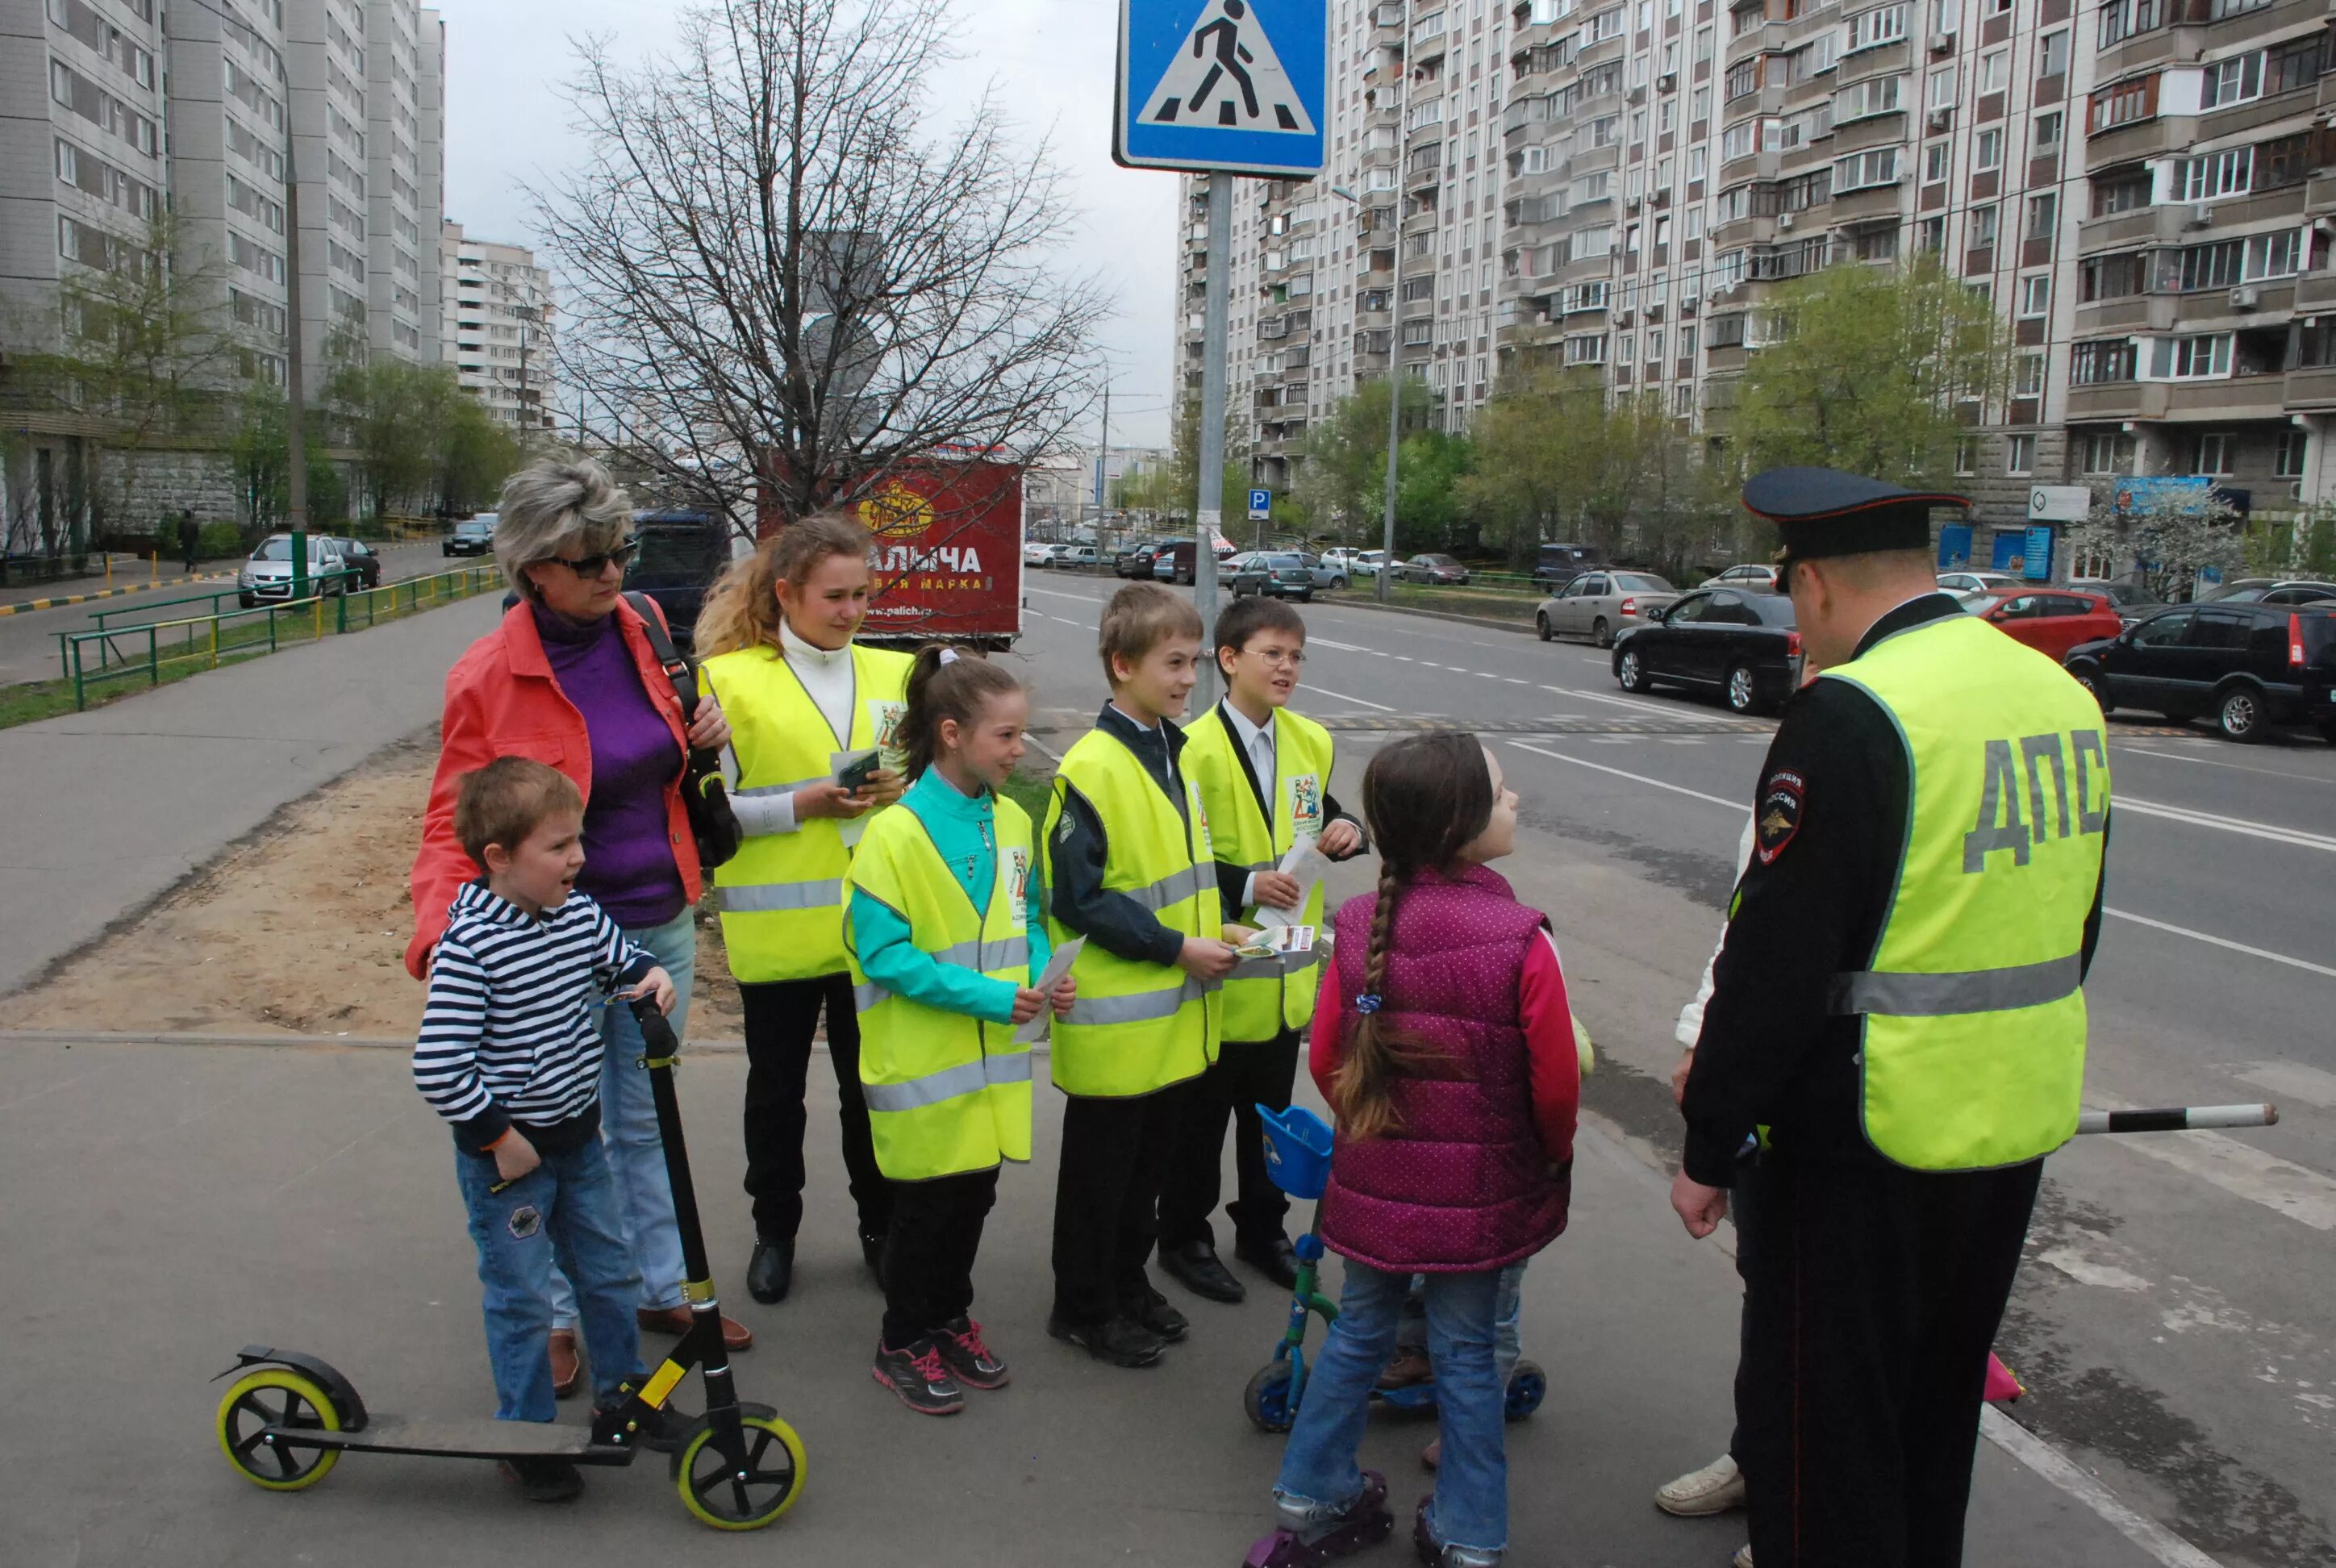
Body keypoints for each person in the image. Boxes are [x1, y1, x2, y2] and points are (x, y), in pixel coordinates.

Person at [1670, 468, 2111, 1568]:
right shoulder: (2055, 693)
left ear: (1812, 583)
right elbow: (2078, 919)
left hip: (1863, 1138)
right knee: (1933, 1418)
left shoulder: (1855, 711)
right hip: (2010, 1121)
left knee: (1826, 1446)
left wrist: (1711, 1142)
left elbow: (1777, 961)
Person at [408, 454, 749, 1402]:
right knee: (561, 1129)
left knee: (645, 1123)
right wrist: (445, 940)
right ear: (532, 572)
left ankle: (654, 1287)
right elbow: (452, 822)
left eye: (621, 552)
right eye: (590, 559)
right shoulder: (487, 675)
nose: (613, 575)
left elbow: (657, 749)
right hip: (546, 948)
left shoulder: (640, 628)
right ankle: (559, 1315)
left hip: (654, 918)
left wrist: (698, 732)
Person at [1245, 730, 1579, 1568]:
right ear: (1460, 821)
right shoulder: (1521, 937)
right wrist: (1548, 1156)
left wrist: (1372, 1129)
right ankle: (1467, 1535)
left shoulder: (1360, 925)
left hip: (1374, 1178)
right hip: (1480, 1192)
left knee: (1357, 1334)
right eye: (1500, 793)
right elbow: (1554, 1085)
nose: (1515, 803)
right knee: (1467, 1359)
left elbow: (1326, 1059)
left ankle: (1309, 1494)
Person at [411, 757, 687, 1502]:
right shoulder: (471, 949)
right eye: (560, 847)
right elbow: (438, 1067)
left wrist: (647, 977)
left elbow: (619, 962)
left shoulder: (575, 913)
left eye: (578, 842)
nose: (579, 859)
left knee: (607, 1271)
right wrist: (500, 1136)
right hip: (511, 1162)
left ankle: (629, 1398)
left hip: (576, 1138)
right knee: (524, 1296)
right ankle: (524, 1436)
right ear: (499, 859)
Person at [843, 645, 1074, 1414]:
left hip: (993, 1062)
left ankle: (948, 1320)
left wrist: (1045, 976)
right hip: (923, 1065)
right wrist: (990, 997)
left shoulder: (1012, 819)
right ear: (951, 733)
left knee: (973, 1201)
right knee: (923, 1214)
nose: (1020, 750)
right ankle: (901, 1339)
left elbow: (1029, 916)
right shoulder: (895, 834)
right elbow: (882, 956)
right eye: (1005, 736)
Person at [695, 513, 911, 1307]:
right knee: (775, 1095)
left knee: (871, 1091)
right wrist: (805, 804)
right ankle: (774, 1230)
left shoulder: (896, 676)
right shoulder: (730, 680)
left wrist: (908, 790)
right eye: (833, 596)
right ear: (785, 593)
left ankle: (879, 1228)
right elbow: (711, 815)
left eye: (861, 594)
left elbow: (923, 792)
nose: (851, 610)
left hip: (877, 929)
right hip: (779, 931)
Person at [1041, 582, 1241, 1368]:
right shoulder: (1091, 765)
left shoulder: (1173, 751)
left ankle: (1127, 1283)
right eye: (1174, 663)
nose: (1190, 679)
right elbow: (1078, 897)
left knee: (1145, 1174)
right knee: (1100, 1181)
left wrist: (1212, 928)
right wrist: (1175, 946)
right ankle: (1082, 1305)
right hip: (1119, 1023)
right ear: (1121, 665)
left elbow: (1171, 873)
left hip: (1170, 1018)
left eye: (1194, 663)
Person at [1160, 596, 1365, 1304]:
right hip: (1221, 965)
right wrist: (1247, 882)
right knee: (1199, 1122)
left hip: (1286, 972)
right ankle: (1184, 1235)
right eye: (1272, 654)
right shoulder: (1190, 748)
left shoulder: (1310, 739)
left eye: (1296, 655)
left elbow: (1315, 814)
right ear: (1229, 660)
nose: (1287, 667)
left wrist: (1348, 830)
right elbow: (1171, 859)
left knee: (1269, 1118)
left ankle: (1262, 1229)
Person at [177, 509, 201, 573]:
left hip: (185, 540)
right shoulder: (194, 523)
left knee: (185, 554)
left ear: (185, 514)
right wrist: (196, 540)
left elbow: (180, 532)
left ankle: (193, 563)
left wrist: (179, 540)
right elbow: (197, 533)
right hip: (192, 540)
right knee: (189, 554)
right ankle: (187, 569)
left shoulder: (182, 522)